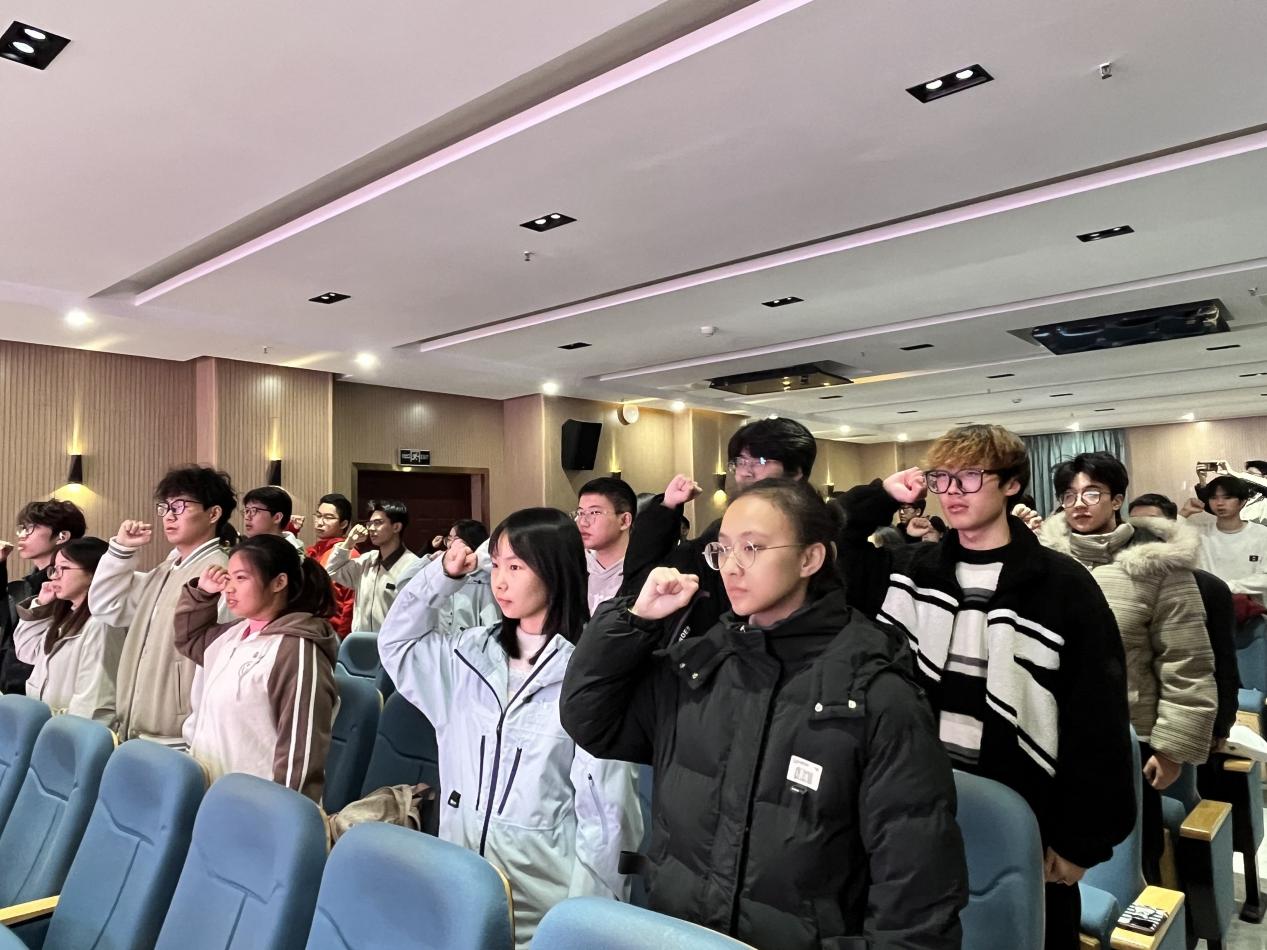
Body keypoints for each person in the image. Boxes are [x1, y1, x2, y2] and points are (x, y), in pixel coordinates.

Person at [562, 479, 967, 949]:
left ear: (810, 558)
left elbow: (916, 903)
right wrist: (635, 619)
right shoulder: (700, 666)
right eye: (723, 549)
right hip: (682, 934)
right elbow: (590, 718)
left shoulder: (873, 693)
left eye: (752, 548)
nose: (732, 566)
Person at [835, 424, 1134, 949]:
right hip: (914, 803)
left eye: (969, 477)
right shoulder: (911, 571)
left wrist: (1080, 840)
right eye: (942, 478)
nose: (952, 492)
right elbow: (838, 560)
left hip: (1024, 807)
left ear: (1011, 484)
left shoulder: (1061, 584)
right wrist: (880, 497)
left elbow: (1096, 716)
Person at [378, 508, 642, 947]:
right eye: (496, 565)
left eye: (516, 567)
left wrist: (584, 926)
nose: (500, 582)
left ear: (555, 570)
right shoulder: (468, 655)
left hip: (541, 908)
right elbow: (397, 643)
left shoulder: (587, 672)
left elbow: (606, 818)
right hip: (459, 887)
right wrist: (442, 578)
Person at [1037, 453, 1216, 885]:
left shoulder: (1159, 565)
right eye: (1068, 495)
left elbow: (1187, 661)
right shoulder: (1043, 563)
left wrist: (1171, 749)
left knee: (1133, 858)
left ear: (1117, 499)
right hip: (1053, 736)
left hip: (1131, 737)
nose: (1079, 504)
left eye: (1092, 493)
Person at [619, 416, 818, 639]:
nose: (745, 472)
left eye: (760, 461)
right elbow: (641, 577)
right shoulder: (720, 532)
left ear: (796, 472)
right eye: (740, 462)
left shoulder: (818, 532)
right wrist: (668, 506)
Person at [174, 535, 338, 803]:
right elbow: (189, 639)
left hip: (255, 806)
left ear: (279, 582)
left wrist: (279, 815)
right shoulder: (237, 633)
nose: (229, 588)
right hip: (214, 795)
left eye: (241, 578)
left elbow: (301, 752)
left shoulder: (296, 649)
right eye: (229, 577)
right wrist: (202, 595)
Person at [89, 466, 237, 743]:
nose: (169, 515)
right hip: (136, 727)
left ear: (213, 514)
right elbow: (107, 607)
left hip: (178, 736)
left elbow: (218, 661)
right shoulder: (165, 570)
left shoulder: (219, 573)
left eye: (180, 506)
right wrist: (122, 551)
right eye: (165, 507)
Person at [1129, 493, 1238, 747]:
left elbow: (1223, 661)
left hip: (1186, 710)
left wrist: (1221, 723)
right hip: (1136, 713)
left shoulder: (1208, 587)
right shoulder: (1120, 581)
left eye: (1152, 523)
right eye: (1135, 524)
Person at [12, 537, 125, 723]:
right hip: (47, 726)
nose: (54, 576)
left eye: (63, 568)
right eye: (54, 569)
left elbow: (93, 702)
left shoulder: (101, 624)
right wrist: (40, 605)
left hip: (71, 731)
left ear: (94, 573)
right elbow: (25, 651)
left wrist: (62, 731)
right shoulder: (65, 614)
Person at [0, 499, 87, 694]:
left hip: (43, 690)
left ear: (62, 536)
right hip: (12, 687)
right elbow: (6, 629)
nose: (22, 535)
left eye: (31, 528)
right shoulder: (28, 583)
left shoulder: (66, 587)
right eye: (22, 528)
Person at [325, 499, 420, 633]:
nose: (371, 528)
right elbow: (332, 571)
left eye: (378, 523)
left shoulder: (413, 566)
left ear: (396, 527)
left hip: (393, 643)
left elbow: (417, 614)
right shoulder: (368, 559)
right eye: (370, 523)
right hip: (361, 641)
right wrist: (349, 543)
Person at [1182, 474, 1267, 603]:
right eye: (1213, 498)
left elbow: (1264, 579)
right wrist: (1184, 512)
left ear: (1243, 501)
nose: (1220, 503)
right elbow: (1165, 541)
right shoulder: (1200, 533)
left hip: (1250, 607)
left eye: (1227, 497)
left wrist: (1225, 587)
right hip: (1208, 606)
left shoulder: (1262, 534)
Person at [574, 476, 637, 612]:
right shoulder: (574, 565)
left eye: (594, 512)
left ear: (625, 520)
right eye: (580, 513)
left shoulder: (641, 572)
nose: (583, 522)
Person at [306, 492, 359, 637]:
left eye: (328, 517)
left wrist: (341, 639)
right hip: (311, 628)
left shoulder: (349, 554)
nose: (320, 522)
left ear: (343, 523)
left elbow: (350, 602)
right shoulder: (313, 551)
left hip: (331, 633)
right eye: (318, 515)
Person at [242, 486, 306, 553]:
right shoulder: (244, 548)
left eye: (254, 511)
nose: (247, 517)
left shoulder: (292, 554)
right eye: (247, 511)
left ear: (277, 518)